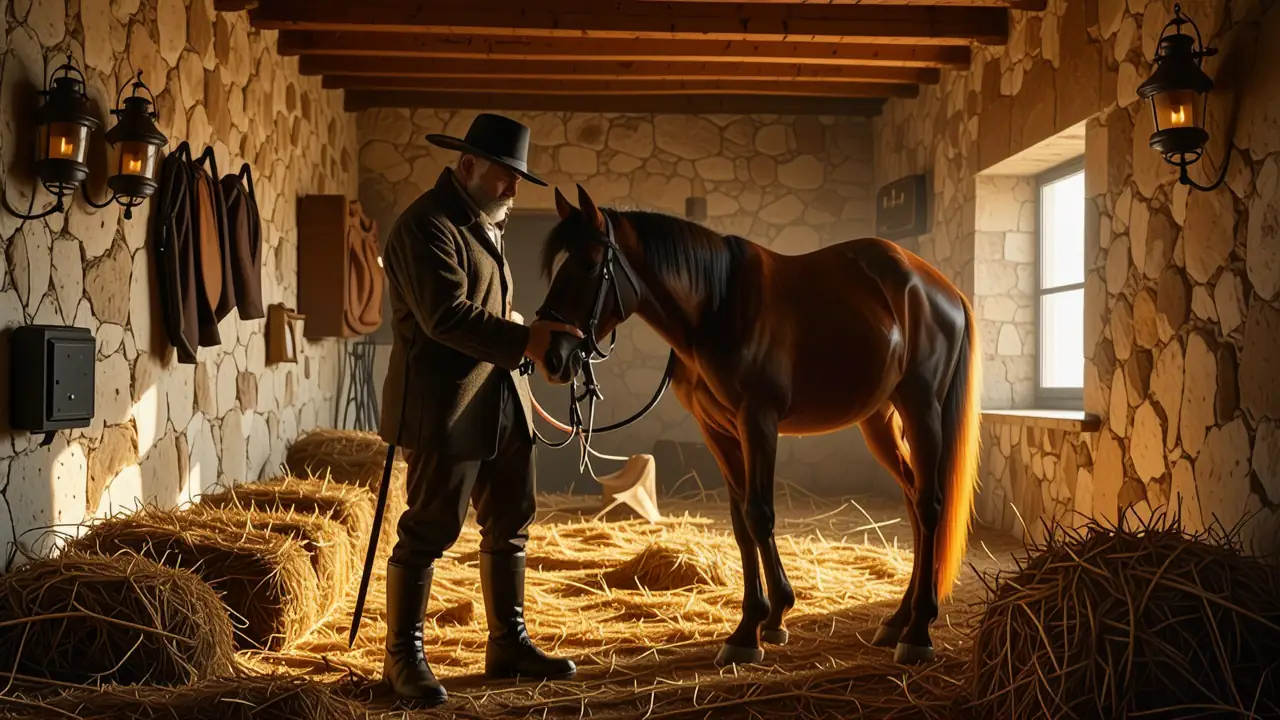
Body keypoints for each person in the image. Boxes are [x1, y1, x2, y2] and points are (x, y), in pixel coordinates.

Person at [377, 113, 583, 707]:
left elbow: (489, 308)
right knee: (430, 530)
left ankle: (507, 645)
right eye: (506, 176)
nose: (515, 189)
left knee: (512, 521)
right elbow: (446, 317)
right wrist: (529, 342)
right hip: (445, 408)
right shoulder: (424, 227)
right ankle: (403, 657)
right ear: (468, 165)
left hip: (500, 402)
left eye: (518, 179)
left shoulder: (479, 219)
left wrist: (526, 330)